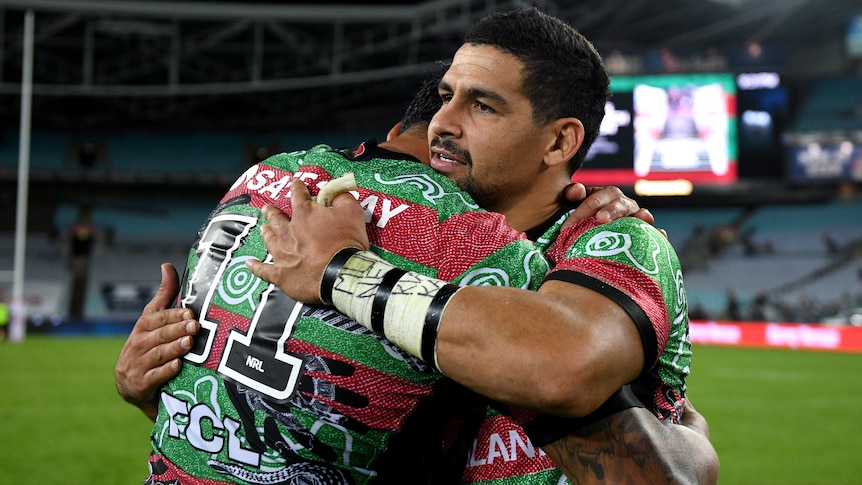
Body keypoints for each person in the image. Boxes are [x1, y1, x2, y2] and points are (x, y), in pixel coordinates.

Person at [120, 63, 660, 484]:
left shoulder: (262, 176)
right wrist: (684, 424)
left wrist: (143, 392)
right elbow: (639, 472)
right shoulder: (480, 245)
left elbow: (247, 427)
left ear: (396, 128)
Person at [245, 7, 706, 483]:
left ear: (559, 142)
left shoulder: (616, 239)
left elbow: (565, 375)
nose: (442, 122)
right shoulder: (412, 240)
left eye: (482, 106)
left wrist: (345, 271)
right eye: (447, 96)